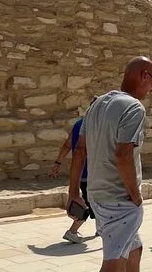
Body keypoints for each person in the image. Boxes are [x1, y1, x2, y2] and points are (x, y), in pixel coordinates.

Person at [67, 56, 152, 272]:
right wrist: (135, 195)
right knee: (113, 263)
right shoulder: (134, 108)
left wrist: (73, 192)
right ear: (144, 75)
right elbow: (123, 155)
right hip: (120, 199)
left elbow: (79, 150)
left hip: (97, 195)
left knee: (134, 250)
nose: (151, 90)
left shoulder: (96, 105)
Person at [50, 96, 98, 243]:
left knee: (95, 201)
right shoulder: (98, 126)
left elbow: (67, 145)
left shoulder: (79, 124)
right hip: (93, 173)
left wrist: (58, 163)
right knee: (90, 203)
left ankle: (101, 229)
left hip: (80, 173)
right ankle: (72, 231)